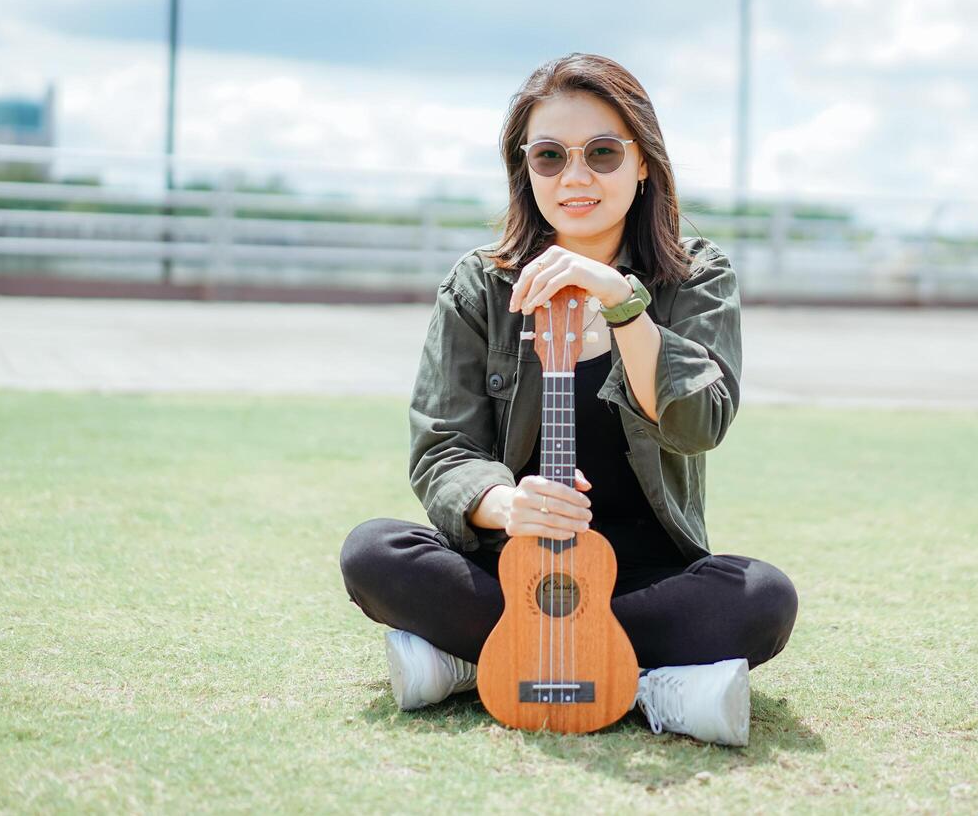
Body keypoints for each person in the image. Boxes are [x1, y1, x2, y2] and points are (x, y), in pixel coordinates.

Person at [339, 52, 796, 746]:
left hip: (647, 578)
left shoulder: (696, 276)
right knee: (372, 552)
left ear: (643, 162)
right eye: (549, 156)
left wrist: (622, 302)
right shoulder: (480, 286)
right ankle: (657, 682)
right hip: (514, 573)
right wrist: (506, 505)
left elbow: (699, 423)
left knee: (761, 599)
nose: (575, 177)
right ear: (525, 168)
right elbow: (443, 448)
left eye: (602, 153)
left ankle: (474, 661)